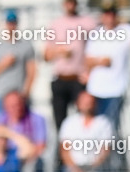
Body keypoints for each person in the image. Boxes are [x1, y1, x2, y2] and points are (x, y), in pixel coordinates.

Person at [83, 0, 130, 135]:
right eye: (107, 14)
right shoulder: (96, 33)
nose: (110, 17)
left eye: (112, 13)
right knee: (97, 128)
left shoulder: (126, 31)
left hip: (116, 89)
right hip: (96, 89)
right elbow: (87, 60)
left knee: (112, 128)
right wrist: (100, 62)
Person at [45, 0, 96, 132]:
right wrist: (59, 52)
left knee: (83, 119)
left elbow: (97, 48)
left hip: (79, 78)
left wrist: (90, 73)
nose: (70, 5)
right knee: (60, 121)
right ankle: (63, 145)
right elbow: (46, 55)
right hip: (61, 78)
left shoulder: (88, 22)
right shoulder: (55, 24)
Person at [0, 10, 35, 112]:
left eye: (13, 22)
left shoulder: (26, 46)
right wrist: (4, 64)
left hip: (20, 98)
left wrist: (25, 93)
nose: (11, 26)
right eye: (9, 22)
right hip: (1, 97)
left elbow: (32, 72)